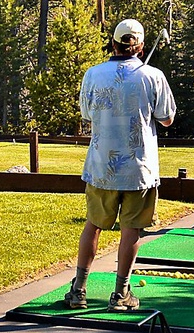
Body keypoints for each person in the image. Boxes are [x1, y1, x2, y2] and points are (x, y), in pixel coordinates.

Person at [65, 19, 176, 311]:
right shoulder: (153, 75)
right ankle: (121, 294)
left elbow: (88, 114)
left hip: (102, 166)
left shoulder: (93, 74)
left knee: (93, 225)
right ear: (139, 46)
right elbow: (167, 118)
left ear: (113, 43)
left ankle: (78, 290)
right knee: (131, 230)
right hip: (138, 170)